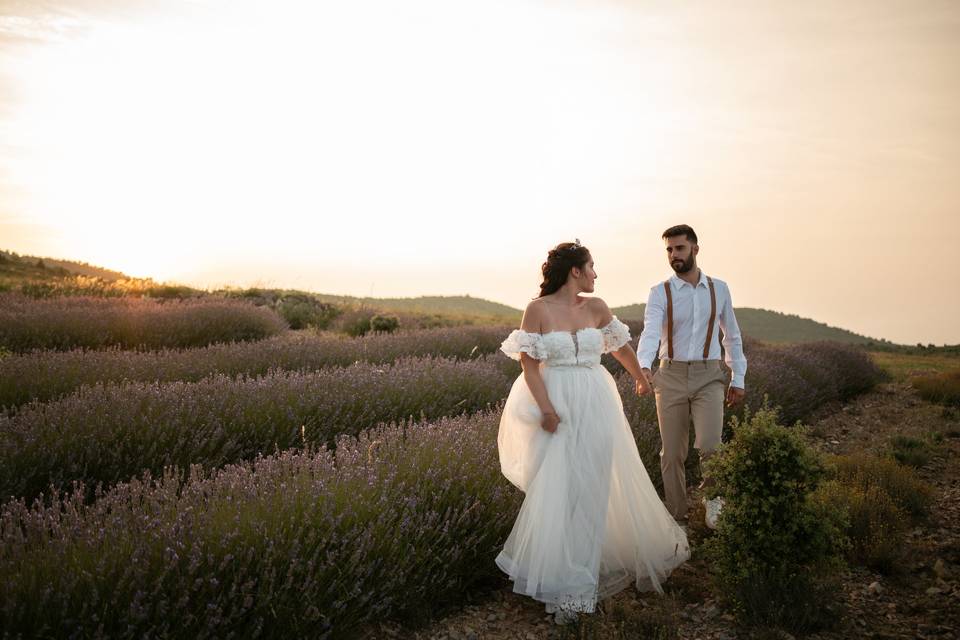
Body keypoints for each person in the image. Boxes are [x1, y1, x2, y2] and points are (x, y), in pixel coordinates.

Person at [495, 240, 690, 625]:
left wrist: (639, 377)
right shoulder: (537, 310)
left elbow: (619, 348)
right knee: (558, 492)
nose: (596, 274)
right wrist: (547, 410)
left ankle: (577, 590)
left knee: (592, 490)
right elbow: (529, 367)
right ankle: (558, 573)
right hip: (555, 405)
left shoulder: (597, 308)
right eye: (592, 266)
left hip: (597, 402)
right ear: (575, 272)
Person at [636, 224, 747, 529]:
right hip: (669, 375)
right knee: (672, 453)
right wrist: (643, 366)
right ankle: (677, 517)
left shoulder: (719, 289)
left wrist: (738, 378)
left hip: (709, 375)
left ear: (695, 249)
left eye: (680, 248)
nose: (674, 255)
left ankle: (714, 503)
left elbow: (732, 337)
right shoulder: (660, 292)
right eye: (669, 250)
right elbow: (649, 334)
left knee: (711, 445)